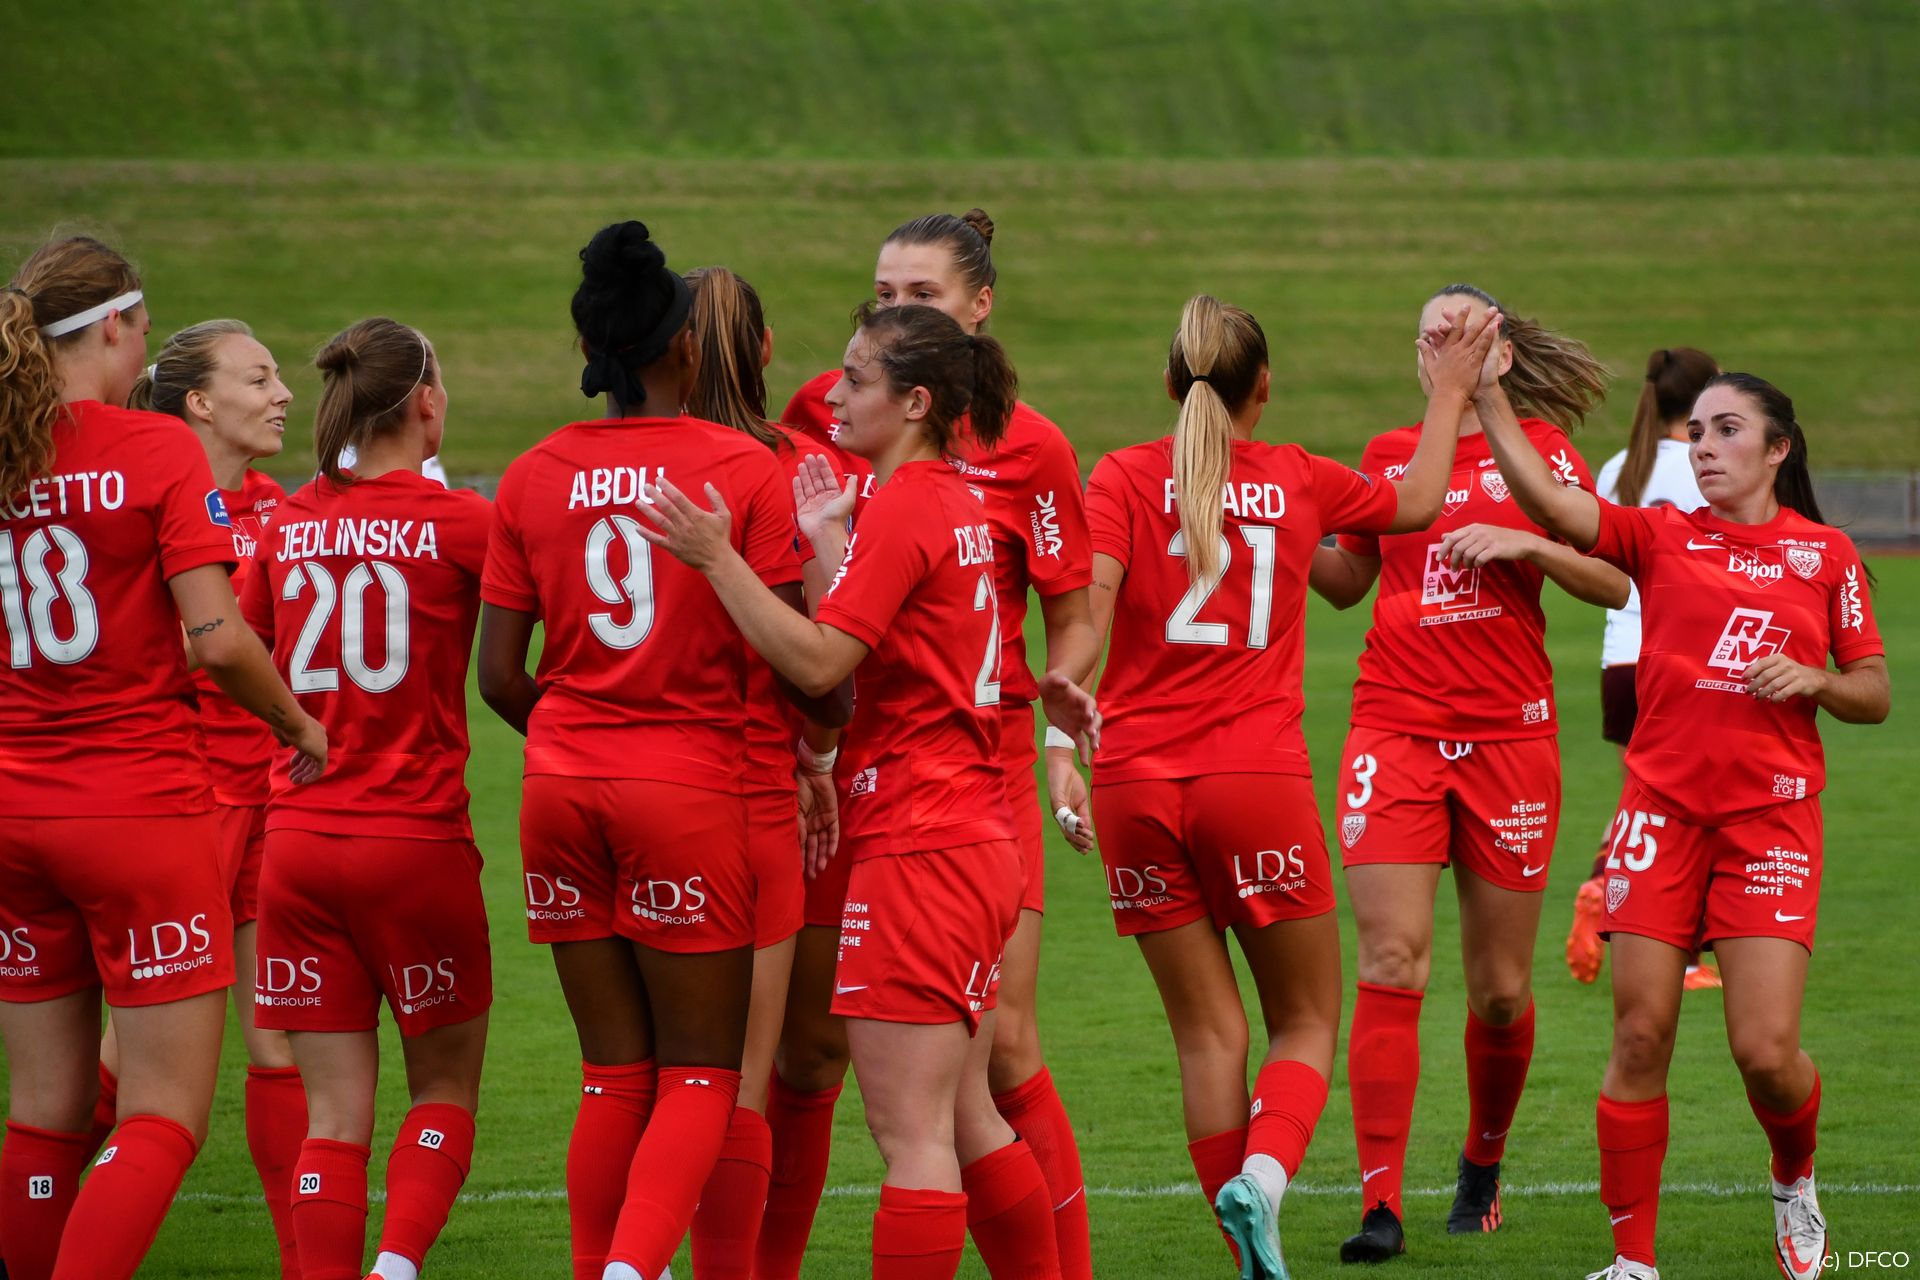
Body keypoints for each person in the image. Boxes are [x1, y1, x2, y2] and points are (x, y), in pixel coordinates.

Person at [641, 302, 1098, 1280]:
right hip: (972, 832)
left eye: (856, 379)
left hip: (921, 841)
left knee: (912, 1132)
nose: (834, 396)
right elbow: (896, 640)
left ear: (916, 401)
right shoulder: (953, 502)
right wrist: (822, 540)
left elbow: (820, 662)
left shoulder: (906, 506)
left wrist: (719, 559)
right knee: (967, 1115)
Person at [1054, 295, 1497, 1279]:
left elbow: (1090, 611)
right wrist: (1451, 390)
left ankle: (1247, 1255)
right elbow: (1419, 502)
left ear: (1169, 383)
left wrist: (1058, 739)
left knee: (1206, 1035)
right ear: (1265, 386)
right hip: (1253, 779)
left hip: (1131, 786)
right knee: (1303, 1020)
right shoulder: (1298, 475)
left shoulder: (1121, 474)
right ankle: (1264, 1175)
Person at [1464, 366, 1888, 1280]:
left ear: (1777, 449)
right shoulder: (1661, 533)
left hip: (1771, 825)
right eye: (1695, 432)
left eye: (1727, 430)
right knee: (1639, 1034)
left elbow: (1874, 691)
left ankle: (1794, 1175)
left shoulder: (1826, 555)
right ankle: (1634, 1262)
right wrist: (1485, 396)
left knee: (1765, 1052)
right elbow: (1556, 504)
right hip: (1659, 815)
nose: (1703, 448)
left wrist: (1817, 679)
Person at [475, 221, 812, 1280]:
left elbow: (498, 675)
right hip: (694, 796)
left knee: (613, 1075)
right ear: (685, 349)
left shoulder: (530, 473)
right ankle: (631, 1270)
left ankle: (600, 1265)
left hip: (558, 792)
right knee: (706, 1077)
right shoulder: (742, 467)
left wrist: (585, 737)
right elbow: (807, 670)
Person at [772, 208, 1099, 1280]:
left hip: (962, 772)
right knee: (816, 1049)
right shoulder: (833, 413)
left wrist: (1060, 704)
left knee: (991, 1059)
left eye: (919, 296)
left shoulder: (1026, 449)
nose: (894, 311)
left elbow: (1072, 609)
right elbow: (844, 608)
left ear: (978, 307)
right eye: (883, 294)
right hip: (864, 767)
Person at [0, 236, 325, 1280]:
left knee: (42, 1116)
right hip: (137, 808)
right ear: (113, 328)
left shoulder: (7, 449)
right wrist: (298, 724)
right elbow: (218, 637)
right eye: (141, 327)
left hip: (13, 812)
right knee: (160, 1117)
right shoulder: (152, 448)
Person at [1310, 284, 1629, 1263]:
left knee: (1498, 990)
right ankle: (1380, 1205)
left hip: (1510, 741)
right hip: (1394, 731)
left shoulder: (1542, 453)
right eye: (1427, 337)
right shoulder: (1387, 454)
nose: (1438, 350)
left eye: (1459, 334)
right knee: (1391, 958)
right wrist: (1273, 531)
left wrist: (1527, 539)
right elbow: (1347, 582)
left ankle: (1481, 1163)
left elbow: (1614, 579)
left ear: (1499, 348)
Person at [239, 317, 494, 1280]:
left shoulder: (285, 523)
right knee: (443, 1091)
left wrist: (299, 730)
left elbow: (228, 647)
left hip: (298, 847)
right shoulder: (462, 522)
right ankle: (395, 1265)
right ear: (426, 402)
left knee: (333, 1118)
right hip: (415, 845)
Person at [115, 319, 308, 1278]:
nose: (283, 394)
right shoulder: (146, 501)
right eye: (259, 378)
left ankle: (305, 1263)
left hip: (267, 801)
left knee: (281, 1044)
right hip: (182, 802)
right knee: (127, 1062)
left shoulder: (278, 507)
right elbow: (203, 644)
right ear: (198, 402)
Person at [677, 264, 851, 1278]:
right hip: (754, 796)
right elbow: (828, 651)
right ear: (768, 348)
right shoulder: (793, 468)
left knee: (639, 1070)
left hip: (610, 792)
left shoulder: (603, 465)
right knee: (747, 1073)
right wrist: (817, 756)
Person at [1567, 346, 1719, 989]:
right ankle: (1679, 951)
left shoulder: (1617, 467)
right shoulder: (1710, 467)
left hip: (1621, 661)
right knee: (1692, 808)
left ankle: (1609, 886)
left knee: (1648, 797)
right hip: (1683, 660)